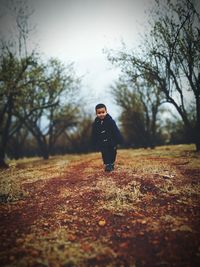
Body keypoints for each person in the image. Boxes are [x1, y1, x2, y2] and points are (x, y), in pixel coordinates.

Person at [92, 103, 123, 172]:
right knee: (105, 153)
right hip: (102, 142)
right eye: (99, 113)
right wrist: (94, 142)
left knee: (113, 152)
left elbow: (116, 131)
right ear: (96, 113)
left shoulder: (110, 121)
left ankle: (111, 163)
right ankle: (107, 165)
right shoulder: (96, 123)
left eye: (103, 112)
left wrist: (119, 140)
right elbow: (94, 133)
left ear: (106, 112)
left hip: (112, 141)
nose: (101, 114)